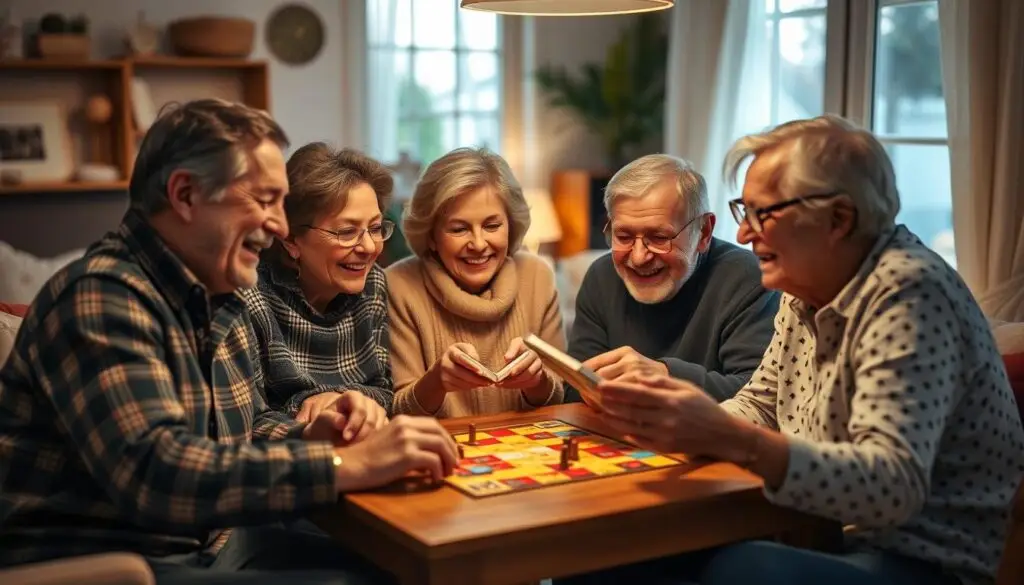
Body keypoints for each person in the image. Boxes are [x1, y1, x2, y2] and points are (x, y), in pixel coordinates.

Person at [0, 99, 457, 585]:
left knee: (406, 567)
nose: (280, 226)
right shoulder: (102, 297)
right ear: (185, 195)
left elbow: (237, 440)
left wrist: (313, 435)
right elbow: (159, 475)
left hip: (208, 544)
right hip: (105, 564)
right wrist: (343, 463)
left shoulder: (216, 297)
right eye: (263, 201)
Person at [573, 115, 1024, 585]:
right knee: (601, 553)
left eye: (763, 214)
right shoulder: (803, 288)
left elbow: (892, 488)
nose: (744, 234)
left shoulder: (909, 295)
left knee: (744, 571)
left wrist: (729, 438)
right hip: (810, 528)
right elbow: (760, 404)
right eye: (743, 211)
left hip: (921, 559)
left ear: (838, 220)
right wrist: (678, 430)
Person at [567, 154, 778, 402]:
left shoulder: (748, 277)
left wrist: (665, 376)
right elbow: (576, 389)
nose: (638, 257)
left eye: (659, 237)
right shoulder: (601, 277)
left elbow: (761, 398)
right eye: (623, 236)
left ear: (704, 232)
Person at [387, 147, 565, 418]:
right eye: (459, 229)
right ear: (431, 236)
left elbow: (559, 398)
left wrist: (537, 381)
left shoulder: (537, 276)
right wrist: (435, 382)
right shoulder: (398, 285)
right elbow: (398, 413)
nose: (479, 244)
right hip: (438, 443)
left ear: (511, 226)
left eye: (492, 226)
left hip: (528, 443)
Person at [243, 143, 395, 427]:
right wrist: (307, 410)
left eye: (375, 228)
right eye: (347, 232)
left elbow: (384, 391)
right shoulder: (249, 296)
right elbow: (248, 424)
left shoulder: (373, 282)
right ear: (291, 240)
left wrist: (339, 399)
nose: (368, 247)